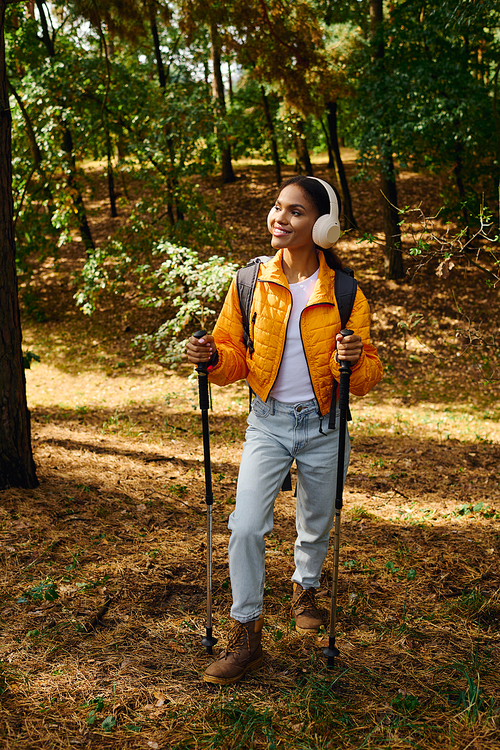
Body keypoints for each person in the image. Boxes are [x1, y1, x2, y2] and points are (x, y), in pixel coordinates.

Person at [186, 175, 383, 685]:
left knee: (316, 520)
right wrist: (211, 359)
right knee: (246, 525)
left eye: (295, 212)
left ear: (323, 226)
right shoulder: (249, 280)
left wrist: (354, 359)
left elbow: (365, 378)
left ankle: (306, 586)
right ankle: (246, 634)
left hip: (325, 426)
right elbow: (234, 354)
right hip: (267, 423)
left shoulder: (344, 291)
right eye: (278, 208)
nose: (280, 217)